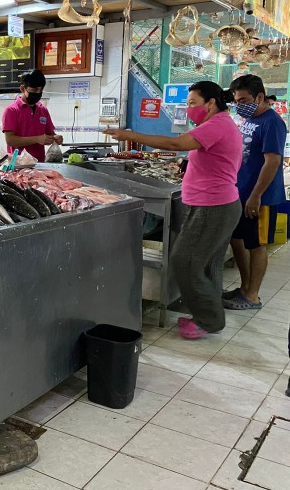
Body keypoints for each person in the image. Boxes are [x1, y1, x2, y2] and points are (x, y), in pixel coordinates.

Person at [104, 81, 242, 339]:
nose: (189, 109)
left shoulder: (217, 124)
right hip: (216, 203)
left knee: (185, 261)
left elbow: (176, 144)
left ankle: (209, 319)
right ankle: (210, 317)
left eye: (192, 103)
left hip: (213, 206)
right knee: (207, 263)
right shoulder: (218, 124)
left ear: (210, 103)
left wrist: (130, 135)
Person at [223, 74, 287, 310]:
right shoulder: (248, 120)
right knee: (237, 240)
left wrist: (256, 195)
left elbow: (272, 162)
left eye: (244, 100)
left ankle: (252, 295)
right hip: (240, 192)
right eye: (236, 101)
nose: (240, 105)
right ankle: (244, 288)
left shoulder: (273, 123)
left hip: (261, 197)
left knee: (256, 244)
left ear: (260, 97)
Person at [2, 70, 63, 162]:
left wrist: (56, 137)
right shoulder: (12, 110)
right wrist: (37, 139)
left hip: (40, 164)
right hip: (18, 164)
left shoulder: (43, 110)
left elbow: (50, 133)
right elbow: (10, 140)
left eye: (40, 90)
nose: (37, 93)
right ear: (23, 89)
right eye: (34, 90)